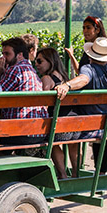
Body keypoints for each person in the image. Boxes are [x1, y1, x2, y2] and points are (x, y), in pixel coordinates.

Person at [56, 37, 107, 173]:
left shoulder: (88, 68)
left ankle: (70, 173)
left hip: (87, 127)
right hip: (105, 125)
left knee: (64, 134)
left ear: (90, 55)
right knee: (105, 135)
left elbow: (83, 79)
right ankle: (101, 173)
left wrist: (67, 85)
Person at [35, 47, 77, 179]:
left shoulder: (47, 78)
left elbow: (43, 102)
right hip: (76, 125)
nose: (36, 64)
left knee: (51, 141)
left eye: (39, 61)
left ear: (50, 61)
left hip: (59, 126)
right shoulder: (65, 77)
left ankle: (62, 175)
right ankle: (76, 173)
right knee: (74, 142)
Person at [0, 37, 47, 148]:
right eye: (3, 54)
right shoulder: (31, 69)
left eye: (7, 54)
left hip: (20, 131)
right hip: (39, 131)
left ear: (19, 55)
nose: (3, 58)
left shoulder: (14, 69)